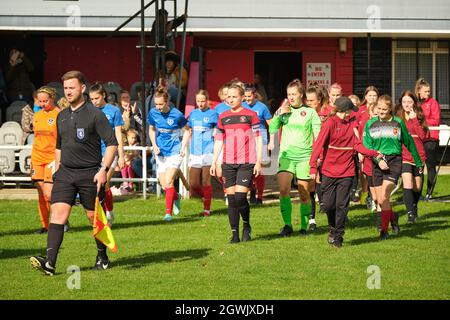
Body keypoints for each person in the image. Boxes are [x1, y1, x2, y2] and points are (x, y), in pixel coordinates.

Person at [30, 70, 118, 275]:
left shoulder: (96, 114)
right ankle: (50, 263)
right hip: (65, 175)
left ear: (83, 88)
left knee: (93, 217)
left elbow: (112, 144)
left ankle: (102, 256)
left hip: (90, 174)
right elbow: (59, 147)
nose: (68, 92)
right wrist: (58, 169)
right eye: (66, 88)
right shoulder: (61, 116)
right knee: (58, 215)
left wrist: (103, 170)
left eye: (72, 87)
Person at [310, 96, 382, 247]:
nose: (351, 113)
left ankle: (338, 236)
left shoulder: (351, 124)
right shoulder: (330, 123)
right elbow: (318, 145)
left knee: (342, 205)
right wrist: (312, 167)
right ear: (344, 110)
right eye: (350, 110)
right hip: (329, 171)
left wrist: (373, 153)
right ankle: (332, 228)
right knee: (328, 205)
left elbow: (357, 145)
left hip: (347, 171)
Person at [363, 95, 423, 240]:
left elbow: (409, 143)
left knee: (384, 196)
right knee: (379, 199)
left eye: (384, 109)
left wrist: (418, 162)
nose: (381, 112)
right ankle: (393, 218)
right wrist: (378, 160)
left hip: (394, 162)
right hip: (377, 162)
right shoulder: (370, 123)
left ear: (390, 109)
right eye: (379, 109)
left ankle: (383, 231)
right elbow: (367, 147)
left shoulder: (398, 123)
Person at [268, 79, 321, 236]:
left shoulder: (311, 113)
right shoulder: (284, 111)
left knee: (303, 192)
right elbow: (272, 127)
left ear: (301, 95)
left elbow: (318, 136)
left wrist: (317, 157)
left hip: (305, 157)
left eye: (294, 94)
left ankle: (304, 227)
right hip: (286, 156)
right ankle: (287, 225)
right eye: (288, 94)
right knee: (284, 190)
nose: (291, 97)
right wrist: (278, 114)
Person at [210, 84, 262, 243]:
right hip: (228, 163)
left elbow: (259, 138)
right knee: (231, 199)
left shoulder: (251, 115)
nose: (230, 99)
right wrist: (214, 162)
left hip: (246, 162)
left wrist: (259, 161)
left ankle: (246, 225)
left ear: (241, 98)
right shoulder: (222, 117)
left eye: (234, 96)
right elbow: (219, 140)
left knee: (240, 197)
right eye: (228, 96)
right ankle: (234, 234)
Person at [147, 86, 189, 221]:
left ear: (167, 102)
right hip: (160, 152)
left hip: (174, 151)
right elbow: (151, 129)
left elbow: (188, 130)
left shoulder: (177, 115)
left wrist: (183, 147)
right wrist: (154, 144)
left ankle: (168, 214)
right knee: (164, 184)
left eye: (161, 104)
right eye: (156, 104)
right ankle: (176, 197)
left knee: (170, 180)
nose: (158, 107)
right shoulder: (153, 113)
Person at [89, 83, 125, 225]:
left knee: (102, 183)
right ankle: (108, 211)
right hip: (94, 153)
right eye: (91, 99)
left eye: (96, 98)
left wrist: (121, 156)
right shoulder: (90, 111)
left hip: (110, 152)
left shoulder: (114, 111)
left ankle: (105, 218)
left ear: (103, 95)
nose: (94, 101)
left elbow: (118, 135)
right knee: (102, 186)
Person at [30, 86, 60, 234]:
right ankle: (45, 226)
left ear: (52, 98)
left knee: (49, 194)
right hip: (37, 157)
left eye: (45, 101)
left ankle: (60, 220)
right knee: (41, 192)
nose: (43, 104)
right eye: (40, 101)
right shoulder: (36, 115)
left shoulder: (59, 114)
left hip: (51, 158)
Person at [395, 91, 428, 224]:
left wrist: (414, 119)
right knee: (407, 182)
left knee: (417, 187)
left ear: (414, 103)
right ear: (401, 103)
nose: (407, 104)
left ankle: (414, 206)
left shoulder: (419, 117)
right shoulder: (398, 117)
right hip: (404, 155)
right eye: (404, 102)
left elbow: (423, 136)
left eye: (409, 102)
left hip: (418, 156)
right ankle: (410, 215)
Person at [303, 84, 331, 230]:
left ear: (319, 100)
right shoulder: (304, 113)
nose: (309, 103)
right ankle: (312, 220)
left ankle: (332, 217)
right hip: (310, 153)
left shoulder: (329, 113)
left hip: (327, 155)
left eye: (312, 101)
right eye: (307, 100)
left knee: (325, 188)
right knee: (311, 186)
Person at [186, 90, 218, 216]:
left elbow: (219, 130)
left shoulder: (213, 114)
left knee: (206, 181)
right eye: (198, 101)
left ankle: (207, 209)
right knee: (193, 184)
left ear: (207, 100)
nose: (200, 103)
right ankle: (206, 197)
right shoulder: (193, 114)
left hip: (208, 151)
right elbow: (188, 129)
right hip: (195, 151)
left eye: (202, 101)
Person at [243, 83, 272, 205]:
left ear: (254, 95)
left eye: (249, 96)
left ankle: (259, 197)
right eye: (245, 96)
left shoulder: (262, 107)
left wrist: (272, 141)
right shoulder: (242, 106)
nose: (247, 99)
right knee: (246, 168)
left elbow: (271, 124)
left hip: (261, 139)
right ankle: (252, 188)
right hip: (245, 140)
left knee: (260, 169)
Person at [415, 78, 441, 199]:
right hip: (418, 139)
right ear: (419, 91)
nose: (428, 93)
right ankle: (418, 193)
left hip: (431, 139)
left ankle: (429, 193)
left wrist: (421, 122)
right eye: (425, 91)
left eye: (429, 91)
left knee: (430, 166)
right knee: (419, 166)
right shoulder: (415, 103)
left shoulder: (433, 103)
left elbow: (435, 121)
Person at [356, 86, 379, 206]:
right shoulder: (360, 110)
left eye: (374, 95)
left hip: (376, 146)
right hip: (362, 146)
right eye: (370, 95)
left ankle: (372, 197)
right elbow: (355, 127)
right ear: (365, 97)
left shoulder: (380, 110)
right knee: (363, 172)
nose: (372, 98)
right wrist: (359, 146)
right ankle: (365, 193)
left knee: (373, 171)